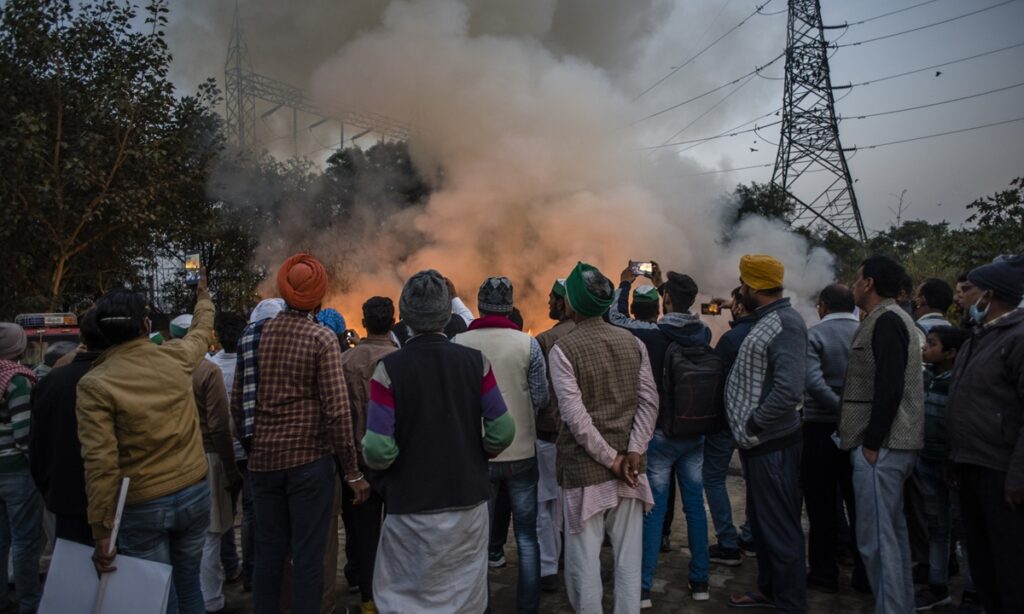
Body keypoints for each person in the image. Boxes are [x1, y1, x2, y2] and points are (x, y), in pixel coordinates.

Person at [362, 269, 515, 613]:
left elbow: (376, 449)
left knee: (407, 596)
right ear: (447, 315)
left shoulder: (388, 370)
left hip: (410, 507)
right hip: (468, 502)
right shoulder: (476, 363)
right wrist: (476, 454)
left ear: (404, 315)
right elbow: (503, 430)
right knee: (464, 597)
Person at [233, 254, 368, 614]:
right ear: (319, 296)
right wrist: (352, 472)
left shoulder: (254, 336)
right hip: (309, 465)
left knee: (269, 553)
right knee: (308, 555)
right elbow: (338, 412)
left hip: (263, 464)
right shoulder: (321, 338)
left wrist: (250, 449)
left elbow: (238, 402)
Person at [78, 273, 215, 614]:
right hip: (194, 492)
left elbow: (100, 463)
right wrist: (203, 298)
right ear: (145, 324)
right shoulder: (176, 357)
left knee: (157, 595)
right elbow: (200, 332)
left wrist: (101, 530)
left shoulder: (95, 384)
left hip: (143, 506)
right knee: (189, 584)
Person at [549, 262, 659, 614]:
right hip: (629, 470)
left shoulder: (563, 349)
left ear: (573, 305)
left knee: (583, 563)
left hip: (585, 472)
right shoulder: (633, 341)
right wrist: (634, 451)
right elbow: (649, 401)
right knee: (629, 559)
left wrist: (612, 458)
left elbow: (575, 418)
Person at [616, 266, 714, 607]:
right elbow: (677, 309)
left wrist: (626, 283)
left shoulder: (653, 336)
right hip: (695, 431)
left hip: (660, 434)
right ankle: (701, 581)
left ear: (666, 301)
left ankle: (643, 588)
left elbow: (617, 318)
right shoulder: (701, 333)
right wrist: (664, 288)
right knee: (695, 508)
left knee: (653, 509)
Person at [454, 276, 547, 614]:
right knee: (526, 538)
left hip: (478, 456)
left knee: (477, 541)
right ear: (510, 306)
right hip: (522, 452)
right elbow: (541, 396)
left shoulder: (458, 342)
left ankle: (482, 607)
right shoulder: (528, 344)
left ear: (479, 304)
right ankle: (528, 607)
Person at [839, 254, 924, 614]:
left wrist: (871, 444)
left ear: (869, 283)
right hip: (890, 447)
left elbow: (889, 387)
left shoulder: (887, 321)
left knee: (875, 540)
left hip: (883, 448)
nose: (854, 285)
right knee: (891, 537)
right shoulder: (887, 319)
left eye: (857, 279)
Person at [724, 255, 807, 612]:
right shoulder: (768, 319)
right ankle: (770, 590)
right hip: (758, 444)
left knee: (779, 526)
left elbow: (789, 390)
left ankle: (789, 602)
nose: (740, 288)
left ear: (755, 286)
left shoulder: (785, 324)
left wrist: (756, 422)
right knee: (763, 523)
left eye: (744, 282)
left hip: (771, 443)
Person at [946, 254, 1024, 614]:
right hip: (970, 465)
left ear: (988, 294)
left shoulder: (1018, 338)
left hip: (1000, 472)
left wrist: (1018, 478)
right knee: (982, 564)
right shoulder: (980, 335)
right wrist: (955, 457)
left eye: (969, 288)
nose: (960, 295)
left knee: (1010, 569)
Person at [168, 314, 243, 614]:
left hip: (175, 457)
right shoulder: (206, 371)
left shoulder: (161, 370)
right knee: (211, 531)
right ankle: (210, 598)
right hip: (208, 457)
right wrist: (231, 468)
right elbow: (218, 426)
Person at [801, 284, 864, 594]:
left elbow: (812, 382)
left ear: (823, 305)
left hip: (819, 428)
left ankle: (824, 574)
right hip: (862, 430)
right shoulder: (866, 331)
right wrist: (853, 411)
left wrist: (839, 409)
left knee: (821, 504)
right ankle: (864, 574)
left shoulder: (814, 335)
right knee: (859, 502)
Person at [30, 309, 109, 546]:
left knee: (75, 573)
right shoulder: (121, 378)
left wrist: (50, 488)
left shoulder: (51, 382)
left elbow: (36, 445)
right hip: (119, 502)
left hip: (66, 496)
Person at [340, 297, 398, 613]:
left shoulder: (345, 361)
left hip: (359, 465)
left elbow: (338, 415)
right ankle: (396, 595)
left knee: (363, 536)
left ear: (363, 322)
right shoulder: (403, 359)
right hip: (397, 463)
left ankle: (367, 599)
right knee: (399, 533)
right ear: (393, 321)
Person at [913, 326, 965, 611]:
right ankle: (937, 585)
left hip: (953, 467)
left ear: (951, 353)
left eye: (932, 344)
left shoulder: (959, 383)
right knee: (936, 526)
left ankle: (972, 593)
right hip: (928, 462)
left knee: (961, 530)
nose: (925, 348)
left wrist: (953, 461)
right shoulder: (926, 377)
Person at [705, 287, 755, 565]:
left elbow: (716, 382)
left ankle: (727, 543)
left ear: (739, 306)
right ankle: (751, 536)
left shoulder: (730, 339)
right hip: (758, 422)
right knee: (754, 480)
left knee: (713, 478)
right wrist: (731, 306)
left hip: (725, 421)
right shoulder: (767, 330)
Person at [0, 322, 44, 613]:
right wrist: (38, 465)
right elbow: (23, 433)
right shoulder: (17, 380)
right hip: (16, 471)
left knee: (1, 540)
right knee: (26, 542)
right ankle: (30, 604)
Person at [534, 278, 574, 592]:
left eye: (552, 299)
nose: (548, 303)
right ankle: (577, 563)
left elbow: (539, 394)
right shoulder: (593, 335)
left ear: (564, 303)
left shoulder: (545, 340)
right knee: (577, 502)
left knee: (546, 504)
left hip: (549, 434)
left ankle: (548, 567)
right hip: (582, 438)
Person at [208, 312, 250, 588]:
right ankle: (251, 569)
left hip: (219, 453)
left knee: (222, 515)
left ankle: (230, 564)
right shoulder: (251, 364)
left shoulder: (209, 366)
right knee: (252, 514)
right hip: (248, 451)